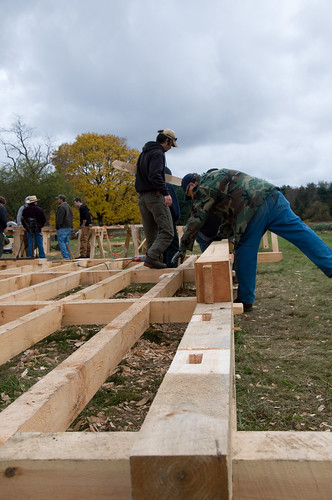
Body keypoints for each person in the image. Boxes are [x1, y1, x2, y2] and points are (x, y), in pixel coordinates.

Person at [175, 169, 332, 311]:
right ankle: (330, 264)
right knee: (303, 235)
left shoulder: (203, 187)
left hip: (254, 209)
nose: (192, 197)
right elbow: (229, 212)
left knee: (244, 252)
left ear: (192, 184)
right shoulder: (217, 177)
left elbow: (196, 218)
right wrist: (223, 233)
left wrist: (182, 247)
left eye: (189, 194)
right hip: (273, 196)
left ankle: (245, 300)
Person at [135, 128, 178, 269]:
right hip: (155, 196)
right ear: (167, 140)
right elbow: (154, 175)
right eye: (170, 145)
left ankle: (155, 263)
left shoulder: (144, 153)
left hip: (142, 198)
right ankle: (152, 257)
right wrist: (166, 193)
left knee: (151, 234)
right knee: (167, 232)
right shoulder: (158, 153)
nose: (170, 148)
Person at [163, 166, 180, 267]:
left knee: (163, 247)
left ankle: (163, 267)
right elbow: (173, 207)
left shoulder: (152, 188)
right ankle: (171, 270)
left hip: (159, 222)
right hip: (169, 222)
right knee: (172, 247)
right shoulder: (167, 186)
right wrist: (176, 217)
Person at [56, 194, 73, 259]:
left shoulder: (61, 207)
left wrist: (58, 226)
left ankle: (66, 257)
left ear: (61, 199)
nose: (58, 200)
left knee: (62, 242)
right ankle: (69, 256)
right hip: (68, 226)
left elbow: (59, 218)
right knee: (67, 242)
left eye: (58, 199)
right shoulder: (68, 206)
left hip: (63, 227)